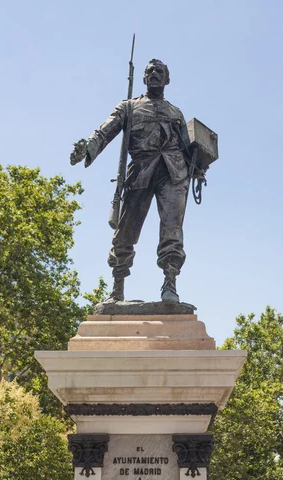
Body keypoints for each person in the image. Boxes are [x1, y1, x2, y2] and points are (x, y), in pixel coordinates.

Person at [70, 59, 203, 304]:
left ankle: (170, 284)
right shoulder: (128, 107)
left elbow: (187, 146)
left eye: (159, 72)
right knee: (125, 232)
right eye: (150, 71)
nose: (154, 74)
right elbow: (104, 131)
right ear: (143, 78)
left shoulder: (176, 113)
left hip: (173, 173)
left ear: (167, 80)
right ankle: (117, 289)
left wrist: (198, 166)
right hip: (140, 171)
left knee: (172, 231)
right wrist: (88, 148)